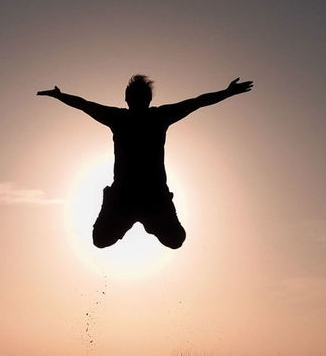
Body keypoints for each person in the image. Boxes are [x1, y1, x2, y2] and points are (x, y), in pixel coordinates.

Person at [37, 75, 253, 249]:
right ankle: (115, 202)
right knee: (100, 241)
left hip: (152, 197)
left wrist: (227, 93)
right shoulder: (132, 118)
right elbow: (85, 105)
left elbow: (196, 103)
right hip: (126, 197)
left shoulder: (146, 117)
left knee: (176, 241)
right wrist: (61, 96)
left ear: (134, 100)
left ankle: (145, 217)